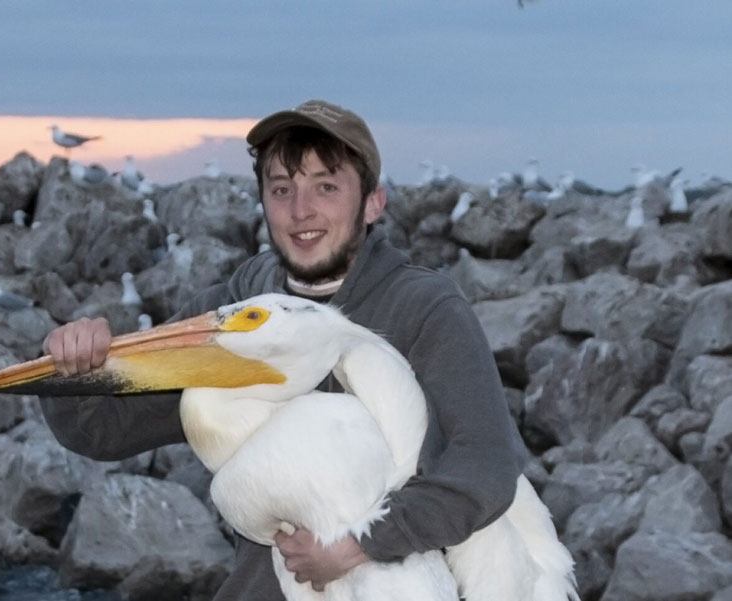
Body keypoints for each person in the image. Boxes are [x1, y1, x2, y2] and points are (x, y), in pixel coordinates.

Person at [39, 99, 527, 599]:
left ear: (374, 203)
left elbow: (485, 467)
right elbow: (103, 429)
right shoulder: (240, 308)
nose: (301, 211)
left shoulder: (423, 309)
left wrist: (358, 546)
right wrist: (76, 370)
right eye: (281, 189)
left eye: (327, 187)